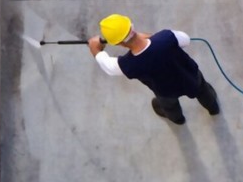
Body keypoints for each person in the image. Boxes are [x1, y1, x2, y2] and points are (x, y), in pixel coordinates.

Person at [88, 14, 220, 125]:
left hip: (165, 91)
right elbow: (185, 39)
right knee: (203, 90)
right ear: (132, 26)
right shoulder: (166, 37)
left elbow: (109, 66)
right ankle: (213, 107)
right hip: (190, 76)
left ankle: (178, 119)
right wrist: (149, 37)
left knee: (169, 106)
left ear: (117, 43)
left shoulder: (128, 65)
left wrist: (95, 49)